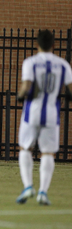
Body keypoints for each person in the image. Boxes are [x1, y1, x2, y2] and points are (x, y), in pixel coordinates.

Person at [15, 30, 72, 206]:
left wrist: (20, 96)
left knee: (25, 148)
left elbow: (26, 86)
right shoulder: (62, 65)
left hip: (31, 112)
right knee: (48, 152)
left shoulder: (30, 63)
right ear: (53, 45)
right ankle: (43, 192)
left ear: (37, 44)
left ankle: (28, 186)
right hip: (51, 114)